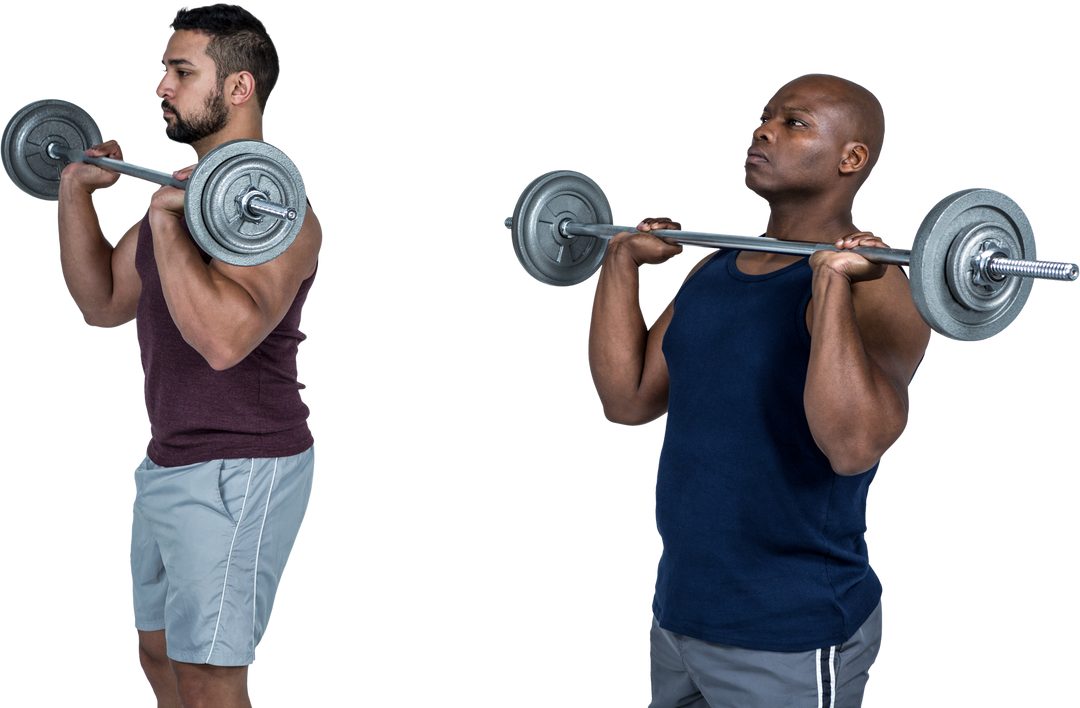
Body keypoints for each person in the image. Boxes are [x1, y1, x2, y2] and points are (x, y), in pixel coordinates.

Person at [586, 71, 931, 707]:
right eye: (765, 116)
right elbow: (628, 399)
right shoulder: (716, 264)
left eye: (794, 122)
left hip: (790, 630)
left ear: (851, 158)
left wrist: (829, 283)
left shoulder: (879, 282)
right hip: (681, 615)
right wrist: (620, 261)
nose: (763, 130)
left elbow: (854, 444)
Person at [55, 3, 322, 707]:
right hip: (169, 455)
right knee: (161, 653)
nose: (161, 87)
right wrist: (75, 195)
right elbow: (105, 304)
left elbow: (225, 341)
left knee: (211, 675)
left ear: (237, 88)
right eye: (164, 70)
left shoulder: (277, 213)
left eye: (181, 71)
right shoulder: (178, 196)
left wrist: (168, 223)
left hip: (243, 461)